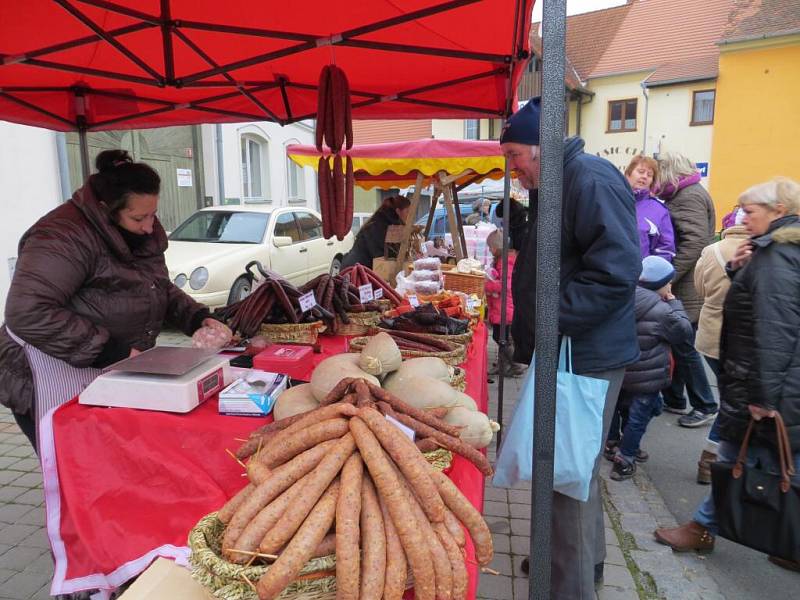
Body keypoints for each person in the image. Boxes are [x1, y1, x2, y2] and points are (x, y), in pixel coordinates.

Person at [501, 97, 641, 596]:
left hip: (586, 353)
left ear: (540, 148)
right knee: (575, 472)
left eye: (515, 155)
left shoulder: (590, 180)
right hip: (575, 348)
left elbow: (617, 270)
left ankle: (566, 583)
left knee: (564, 479)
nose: (513, 168)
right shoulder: (557, 182)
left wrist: (551, 319)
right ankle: (579, 562)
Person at [0, 149, 228, 453]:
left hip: (110, 365)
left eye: (153, 214)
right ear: (107, 209)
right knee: (76, 468)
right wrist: (113, 352)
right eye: (138, 217)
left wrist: (196, 317)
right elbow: (28, 311)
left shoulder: (141, 234)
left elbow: (154, 286)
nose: (149, 226)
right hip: (47, 367)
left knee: (111, 459)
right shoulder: (61, 236)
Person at [654, 177, 800, 573]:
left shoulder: (778, 256)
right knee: (779, 459)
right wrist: (739, 273)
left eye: (750, 211)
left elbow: (775, 329)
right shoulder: (777, 251)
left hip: (772, 383)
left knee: (740, 453)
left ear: (778, 212)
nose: (741, 217)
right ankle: (789, 540)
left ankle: (703, 527)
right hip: (781, 381)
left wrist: (763, 397)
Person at [606, 256, 694, 481]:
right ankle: (625, 458)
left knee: (621, 408)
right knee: (640, 415)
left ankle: (613, 443)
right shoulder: (663, 310)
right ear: (662, 285)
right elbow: (684, 332)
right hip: (649, 376)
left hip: (622, 369)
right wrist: (675, 303)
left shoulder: (622, 298)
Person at [656, 152, 718, 427]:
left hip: (686, 286)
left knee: (684, 346)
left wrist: (667, 276)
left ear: (671, 171)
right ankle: (675, 398)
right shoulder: (689, 192)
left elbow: (693, 243)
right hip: (688, 285)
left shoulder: (688, 195)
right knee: (680, 342)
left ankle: (705, 403)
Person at [692, 209, 749, 483]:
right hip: (741, 339)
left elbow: (699, 289)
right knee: (734, 403)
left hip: (711, 333)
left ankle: (712, 459)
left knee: (730, 399)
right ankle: (715, 459)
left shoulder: (712, 250)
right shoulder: (762, 250)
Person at [484, 229, 522, 378]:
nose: (490, 250)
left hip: (504, 306)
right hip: (501, 305)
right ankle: (502, 364)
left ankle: (515, 365)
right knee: (501, 336)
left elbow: (506, 284)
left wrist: (488, 286)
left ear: (497, 247)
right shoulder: (503, 260)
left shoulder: (506, 262)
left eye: (491, 247)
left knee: (501, 337)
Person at [624, 155, 675, 261]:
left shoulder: (659, 210)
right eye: (640, 171)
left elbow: (665, 250)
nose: (644, 177)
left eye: (649, 175)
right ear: (628, 174)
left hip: (640, 275)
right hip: (606, 273)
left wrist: (652, 274)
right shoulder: (610, 200)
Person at [341, 194, 411, 269]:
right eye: (407, 211)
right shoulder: (381, 226)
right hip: (355, 270)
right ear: (398, 211)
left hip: (358, 267)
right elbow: (382, 254)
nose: (409, 215)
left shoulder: (383, 221)